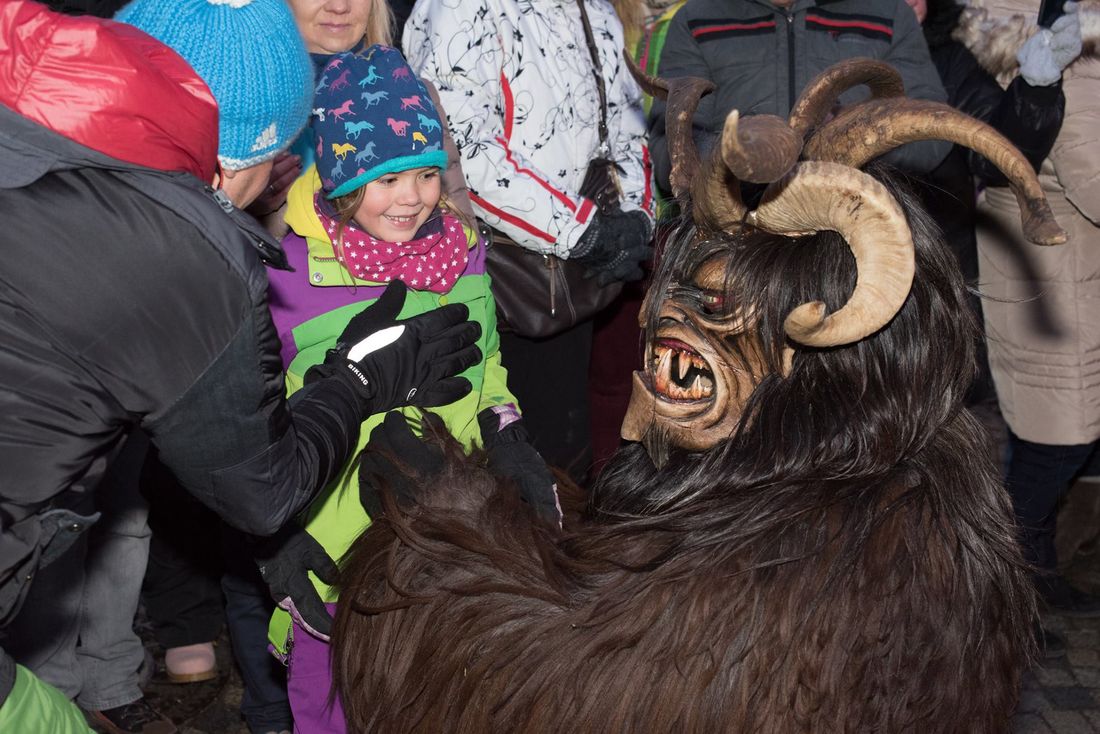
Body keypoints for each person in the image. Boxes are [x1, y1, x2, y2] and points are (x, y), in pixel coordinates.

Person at [0, 1, 480, 731]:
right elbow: (263, 491)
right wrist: (356, 379)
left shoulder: (24, 130)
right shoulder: (190, 256)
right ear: (240, 159)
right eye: (276, 157)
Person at [264, 45, 559, 732]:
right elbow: (266, 413)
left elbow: (484, 363)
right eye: (386, 177)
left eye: (426, 174)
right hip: (338, 536)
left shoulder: (462, 251)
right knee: (333, 694)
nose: (412, 197)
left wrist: (505, 427)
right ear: (340, 177)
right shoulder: (289, 273)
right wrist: (271, 535)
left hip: (456, 528)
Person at [405, 0, 657, 482]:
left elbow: (627, 127)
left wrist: (636, 218)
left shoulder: (597, 9)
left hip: (578, 279)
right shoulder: (457, 6)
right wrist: (582, 231)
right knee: (506, 464)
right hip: (504, 277)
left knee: (569, 451)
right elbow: (462, 147)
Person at [958, 0, 1098, 649]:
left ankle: (1035, 575)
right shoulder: (1078, 58)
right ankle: (1002, 600)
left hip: (1056, 273)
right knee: (1055, 445)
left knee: (1050, 438)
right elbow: (1091, 179)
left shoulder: (1043, 48)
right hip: (1057, 282)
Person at [648, 0, 953, 196]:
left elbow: (932, 127)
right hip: (740, 232)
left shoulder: (887, 13)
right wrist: (735, 153)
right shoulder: (697, 19)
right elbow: (670, 143)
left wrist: (859, 140)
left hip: (858, 221)